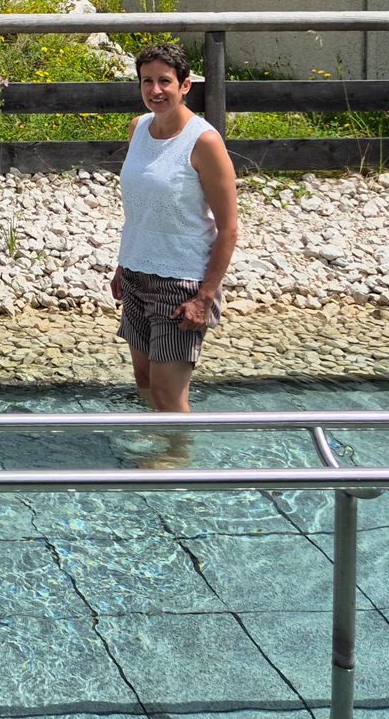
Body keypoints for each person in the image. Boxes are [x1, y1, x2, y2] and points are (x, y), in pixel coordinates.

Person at [110, 42, 239, 464]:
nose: (155, 90)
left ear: (185, 85)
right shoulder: (138, 128)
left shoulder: (203, 141)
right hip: (137, 274)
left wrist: (205, 297)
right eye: (147, 80)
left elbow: (229, 227)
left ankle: (177, 462)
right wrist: (122, 265)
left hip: (181, 282)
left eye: (165, 81)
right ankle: (164, 444)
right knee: (145, 380)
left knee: (169, 390)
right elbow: (140, 207)